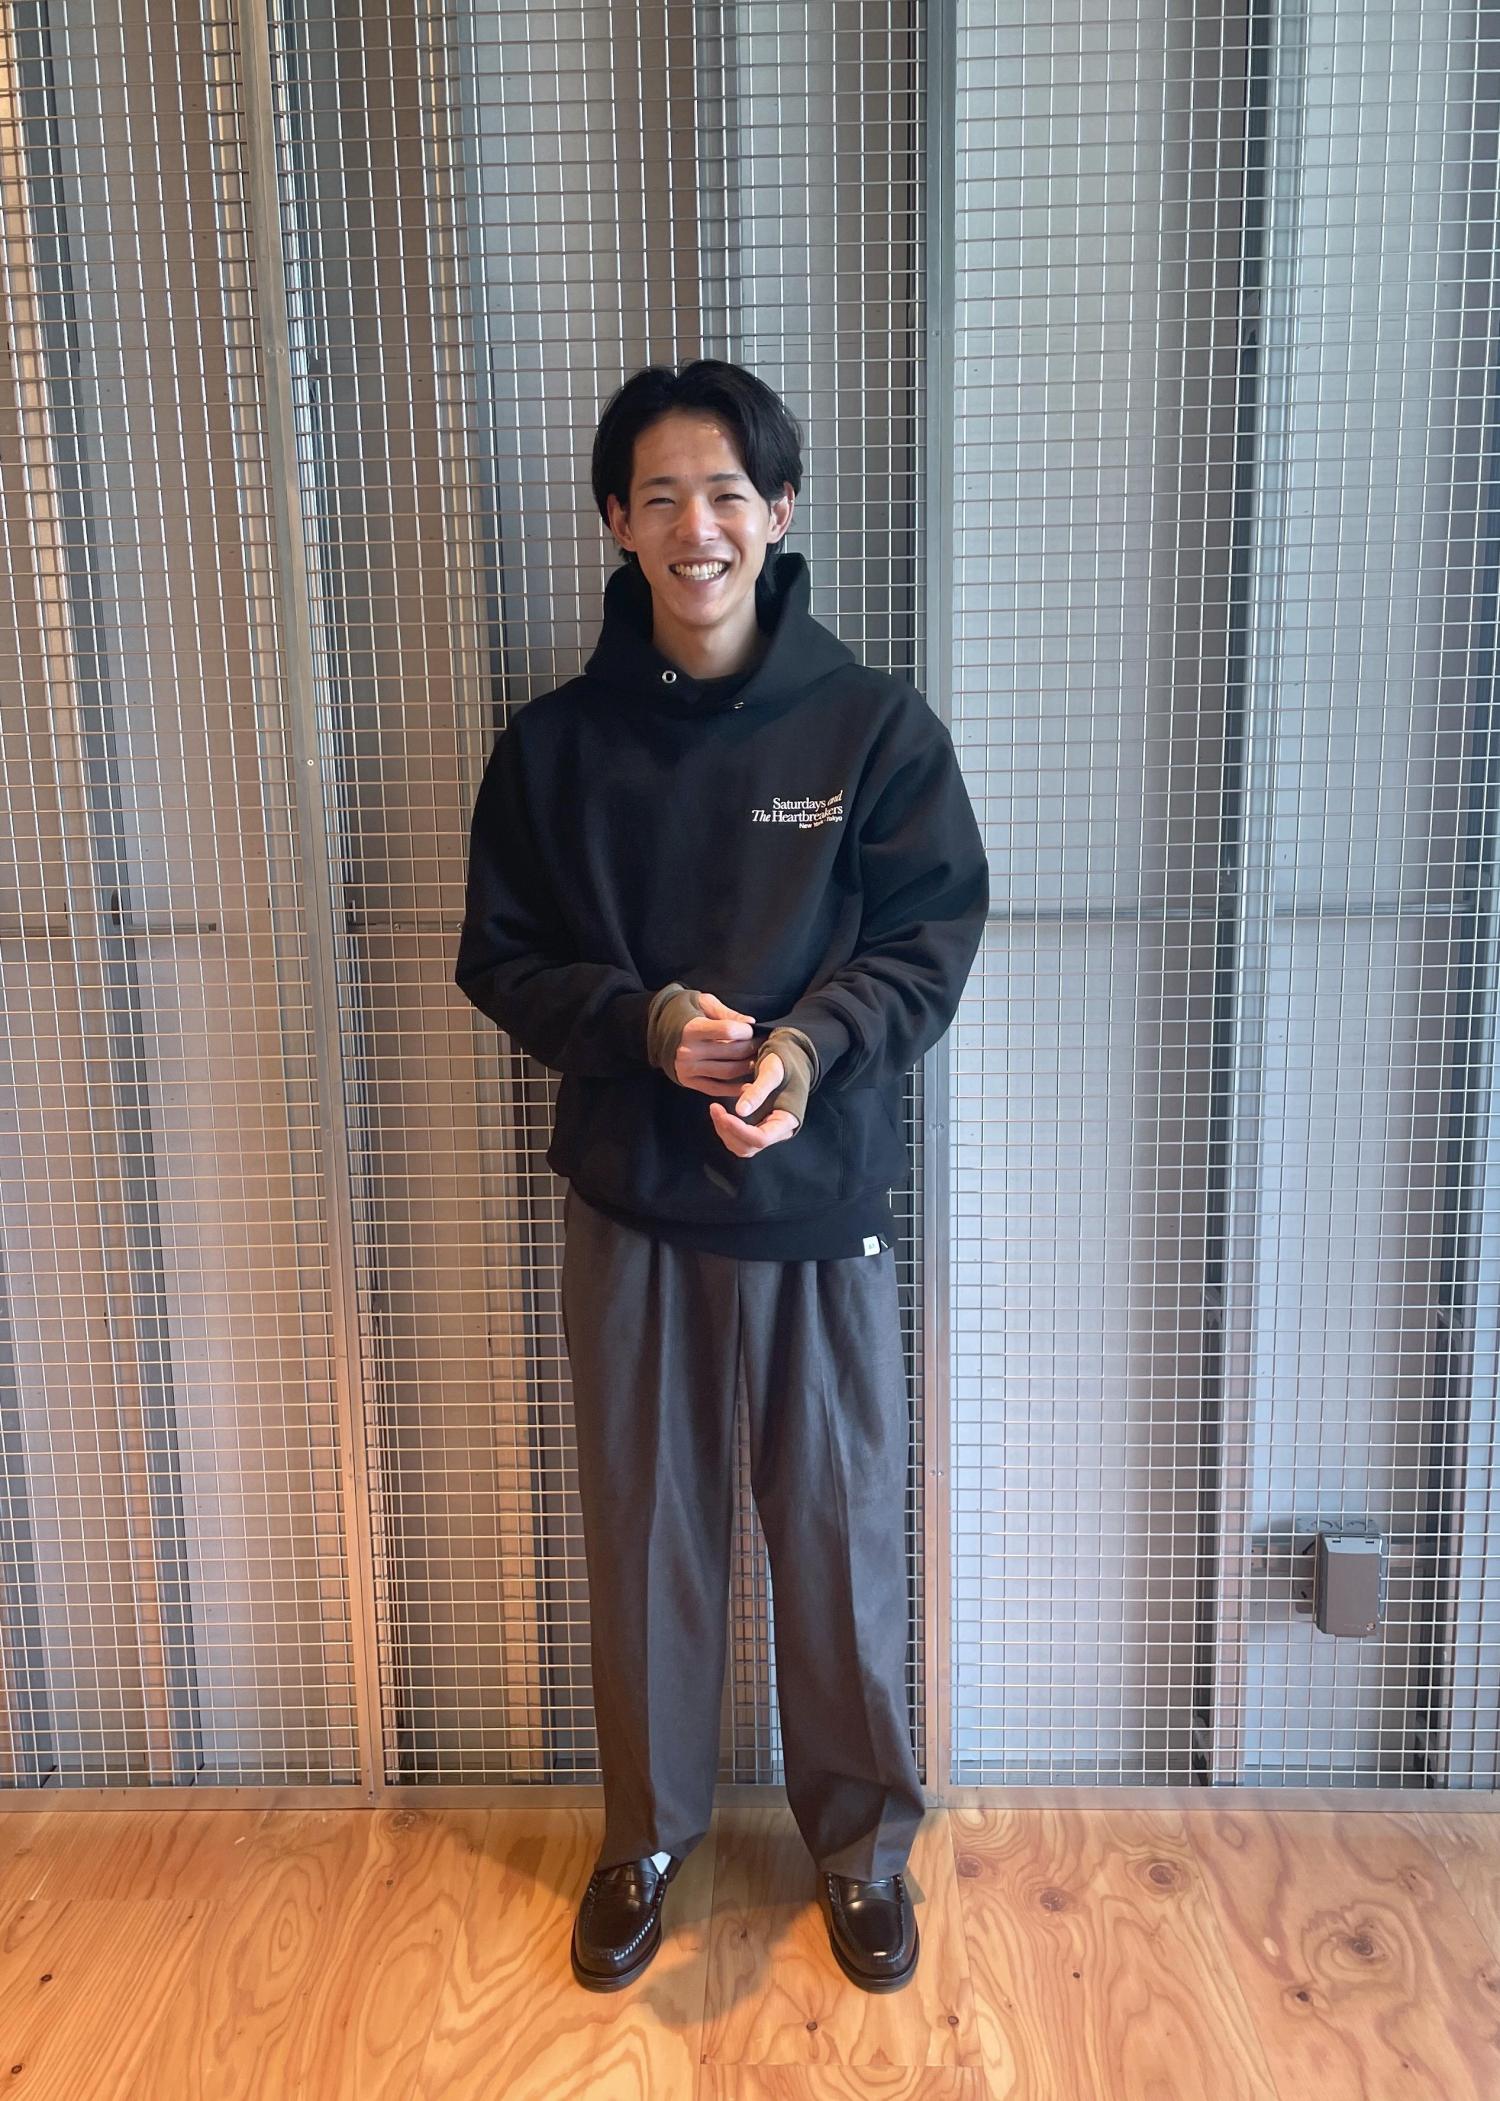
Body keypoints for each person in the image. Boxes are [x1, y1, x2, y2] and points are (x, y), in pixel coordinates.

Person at [454, 359, 989, 1994]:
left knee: (838, 1534)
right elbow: (501, 958)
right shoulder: (552, 749)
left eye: (729, 492)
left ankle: (862, 1848)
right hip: (630, 1203)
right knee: (645, 1536)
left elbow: (928, 940)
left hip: (820, 1209)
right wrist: (645, 1023)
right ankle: (645, 1837)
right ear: (616, 522)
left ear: (780, 512)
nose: (699, 526)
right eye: (663, 495)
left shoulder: (874, 728)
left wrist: (806, 1052)